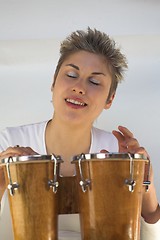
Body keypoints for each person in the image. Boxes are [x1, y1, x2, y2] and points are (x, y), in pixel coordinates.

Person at [0, 27, 159, 239]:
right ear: (53, 83)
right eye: (72, 75)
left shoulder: (117, 154)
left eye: (94, 81)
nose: (79, 87)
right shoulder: (9, 143)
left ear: (109, 99)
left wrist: (145, 185)